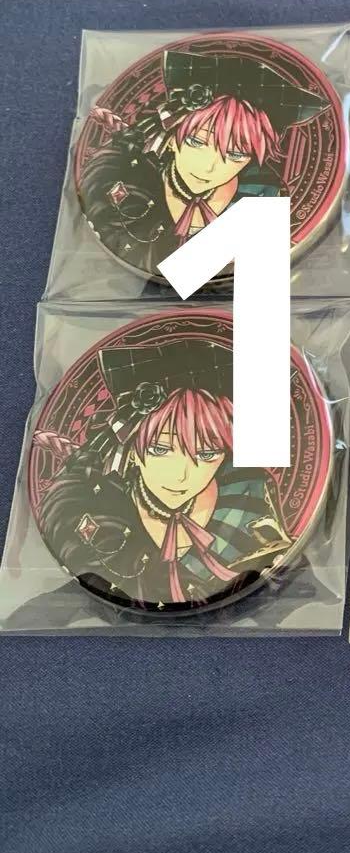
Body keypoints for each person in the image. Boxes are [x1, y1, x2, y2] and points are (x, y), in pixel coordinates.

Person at [36, 340, 291, 609]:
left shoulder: (249, 501)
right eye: (160, 449)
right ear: (131, 449)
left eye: (207, 454)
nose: (180, 476)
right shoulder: (93, 507)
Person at [79, 49, 329, 273]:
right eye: (196, 142)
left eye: (236, 155)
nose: (209, 167)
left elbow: (191, 277)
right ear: (171, 136)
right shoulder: (122, 174)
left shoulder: (263, 194)